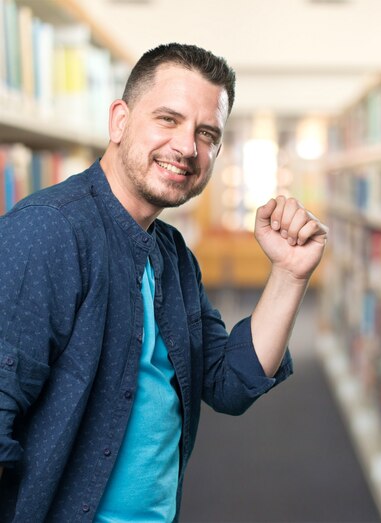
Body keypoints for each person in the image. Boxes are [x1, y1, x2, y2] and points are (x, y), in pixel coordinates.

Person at [0, 43, 327, 521]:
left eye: (207, 133)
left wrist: (290, 273)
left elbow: (229, 382)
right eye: (168, 120)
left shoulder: (172, 253)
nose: (186, 147)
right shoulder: (49, 232)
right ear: (119, 121)